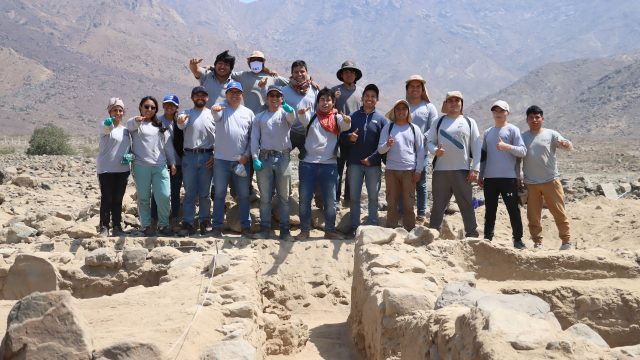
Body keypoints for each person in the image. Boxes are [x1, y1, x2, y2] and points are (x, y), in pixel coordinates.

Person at [296, 88, 352, 240]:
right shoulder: (312, 116)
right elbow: (303, 118)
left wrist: (347, 120)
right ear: (318, 101)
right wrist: (301, 112)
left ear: (333, 102)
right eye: (322, 99)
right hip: (308, 163)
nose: (325, 103)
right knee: (304, 199)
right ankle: (304, 230)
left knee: (330, 200)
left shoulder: (337, 118)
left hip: (330, 164)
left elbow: (346, 125)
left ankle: (330, 230)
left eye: (328, 100)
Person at [427, 91, 482, 237]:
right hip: (441, 170)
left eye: (457, 100)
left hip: (462, 170)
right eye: (450, 100)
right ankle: (433, 232)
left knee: (466, 203)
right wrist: (434, 150)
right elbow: (429, 141)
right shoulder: (438, 122)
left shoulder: (470, 122)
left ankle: (471, 233)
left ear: (461, 104)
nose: (453, 103)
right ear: (445, 104)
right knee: (438, 204)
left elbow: (476, 147)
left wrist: (475, 169)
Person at [519, 105, 573, 250]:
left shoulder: (551, 134)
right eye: (531, 117)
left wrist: (566, 144)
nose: (534, 120)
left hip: (551, 181)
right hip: (531, 183)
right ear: (527, 120)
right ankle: (538, 242)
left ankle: (566, 241)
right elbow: (517, 157)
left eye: (537, 117)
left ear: (542, 119)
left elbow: (567, 146)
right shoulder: (522, 137)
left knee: (559, 212)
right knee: (533, 216)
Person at [340, 84, 387, 238]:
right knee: (354, 197)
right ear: (362, 98)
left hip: (373, 165)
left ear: (377, 99)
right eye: (367, 95)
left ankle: (373, 226)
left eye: (373, 96)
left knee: (373, 196)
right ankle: (355, 226)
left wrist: (372, 159)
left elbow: (384, 145)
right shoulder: (353, 117)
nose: (369, 98)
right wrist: (350, 138)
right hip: (354, 164)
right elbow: (342, 138)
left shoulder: (381, 120)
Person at [479, 100, 527, 249]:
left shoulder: (513, 130)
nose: (498, 113)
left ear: (507, 113)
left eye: (501, 111)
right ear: (492, 113)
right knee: (490, 209)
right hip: (490, 179)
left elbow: (523, 151)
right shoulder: (488, 132)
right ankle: (487, 238)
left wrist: (507, 146)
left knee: (513, 209)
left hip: (508, 178)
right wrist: (481, 175)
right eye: (495, 111)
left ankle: (518, 240)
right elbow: (484, 156)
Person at [250, 85, 296, 241]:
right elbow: (255, 138)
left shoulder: (285, 114)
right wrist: (255, 157)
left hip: (283, 158)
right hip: (264, 158)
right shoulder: (259, 117)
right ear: (267, 98)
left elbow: (292, 118)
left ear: (282, 99)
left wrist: (290, 111)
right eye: (271, 95)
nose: (274, 98)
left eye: (278, 96)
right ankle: (265, 229)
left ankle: (285, 231)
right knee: (265, 197)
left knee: (284, 196)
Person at [127, 96, 177, 236]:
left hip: (160, 165)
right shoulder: (136, 124)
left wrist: (172, 162)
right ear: (140, 108)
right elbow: (129, 125)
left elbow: (168, 146)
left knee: (164, 195)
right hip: (140, 166)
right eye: (146, 106)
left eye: (152, 107)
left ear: (156, 110)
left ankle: (163, 225)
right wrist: (137, 120)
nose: (149, 109)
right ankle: (146, 226)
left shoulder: (160, 125)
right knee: (143, 197)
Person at [210, 81, 255, 237]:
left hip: (241, 161)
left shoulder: (248, 113)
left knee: (243, 195)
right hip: (221, 161)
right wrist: (215, 110)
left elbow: (252, 138)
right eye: (231, 92)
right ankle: (216, 226)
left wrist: (247, 155)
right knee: (219, 194)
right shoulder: (221, 109)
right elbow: (215, 115)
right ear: (226, 94)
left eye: (237, 93)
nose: (234, 95)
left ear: (241, 95)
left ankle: (246, 226)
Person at [378, 99, 425, 231]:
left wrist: (418, 170)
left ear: (407, 112)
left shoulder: (414, 129)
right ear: (394, 111)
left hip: (409, 170)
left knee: (409, 203)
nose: (401, 111)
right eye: (398, 109)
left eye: (404, 109)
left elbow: (420, 150)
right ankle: (391, 228)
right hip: (391, 170)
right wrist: (387, 145)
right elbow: (380, 149)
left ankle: (410, 229)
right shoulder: (388, 128)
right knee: (391, 201)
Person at [176, 86, 216, 236]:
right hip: (190, 156)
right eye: (197, 95)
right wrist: (180, 121)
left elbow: (218, 135)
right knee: (190, 192)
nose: (200, 97)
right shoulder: (186, 113)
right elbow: (181, 124)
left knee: (205, 192)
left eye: (203, 95)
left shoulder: (213, 114)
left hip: (208, 156)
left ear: (207, 98)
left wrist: (215, 154)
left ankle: (205, 221)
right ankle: (188, 222)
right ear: (192, 98)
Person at [405, 75, 438, 223]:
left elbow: (433, 128)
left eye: (418, 87)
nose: (415, 89)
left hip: (422, 151)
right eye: (412, 86)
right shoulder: (403, 106)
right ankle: (404, 211)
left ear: (422, 89)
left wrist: (419, 138)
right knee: (405, 182)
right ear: (407, 89)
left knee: (421, 182)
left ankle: (421, 212)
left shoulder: (429, 107)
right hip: (403, 151)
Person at [332, 60, 364, 208]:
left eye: (352, 71)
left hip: (356, 136)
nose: (349, 74)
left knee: (352, 170)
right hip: (339, 136)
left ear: (356, 74)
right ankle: (335, 199)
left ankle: (349, 200)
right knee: (337, 169)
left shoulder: (362, 92)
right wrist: (334, 100)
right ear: (342, 74)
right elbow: (326, 109)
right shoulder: (335, 91)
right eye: (346, 72)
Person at [96, 97, 131, 237]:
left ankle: (117, 226)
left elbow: (128, 148)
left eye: (120, 110)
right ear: (109, 112)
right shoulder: (105, 125)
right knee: (107, 198)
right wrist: (108, 122)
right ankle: (104, 227)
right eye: (114, 110)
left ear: (123, 112)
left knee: (118, 199)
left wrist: (129, 157)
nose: (118, 112)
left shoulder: (126, 131)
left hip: (122, 170)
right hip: (106, 169)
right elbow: (106, 127)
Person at [151, 94, 184, 231]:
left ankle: (174, 219)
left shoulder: (180, 122)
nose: (169, 107)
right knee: (157, 193)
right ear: (163, 106)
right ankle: (154, 220)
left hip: (179, 162)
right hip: (161, 163)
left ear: (177, 107)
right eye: (167, 104)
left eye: (172, 105)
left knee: (175, 192)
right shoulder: (156, 121)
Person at [282, 60, 319, 160]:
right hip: (289, 132)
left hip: (308, 133)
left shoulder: (315, 90)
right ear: (292, 74)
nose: (299, 74)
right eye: (296, 72)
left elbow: (318, 111)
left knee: (308, 161)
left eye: (302, 71)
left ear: (307, 72)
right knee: (282, 158)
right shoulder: (284, 91)